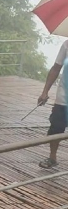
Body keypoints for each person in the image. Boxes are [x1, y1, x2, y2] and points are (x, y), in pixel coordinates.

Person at [37, 40, 68, 169]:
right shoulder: (67, 44)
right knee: (56, 129)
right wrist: (45, 91)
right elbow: (56, 68)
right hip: (63, 98)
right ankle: (52, 157)